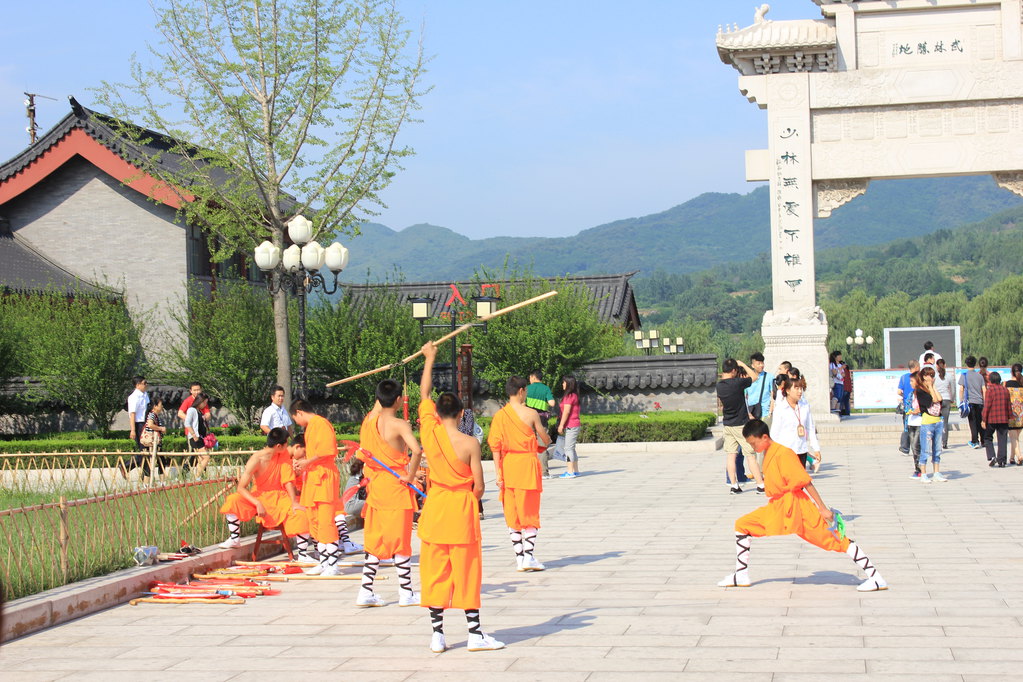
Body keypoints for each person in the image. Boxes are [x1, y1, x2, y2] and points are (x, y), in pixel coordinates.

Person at [718, 419, 887, 592]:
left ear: (764, 437)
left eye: (754, 443)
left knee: (835, 539)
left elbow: (805, 482)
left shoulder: (783, 453)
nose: (753, 447)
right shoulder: (770, 452)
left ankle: (875, 577)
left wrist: (822, 508)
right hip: (778, 506)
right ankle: (741, 574)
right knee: (742, 524)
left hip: (797, 507)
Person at [417, 341, 504, 653]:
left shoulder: (429, 432)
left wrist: (430, 358)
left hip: (436, 508)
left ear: (437, 413)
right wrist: (469, 494)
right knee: (467, 571)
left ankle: (437, 635)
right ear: (462, 412)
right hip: (461, 512)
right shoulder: (469, 443)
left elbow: (424, 394)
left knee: (435, 570)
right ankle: (475, 634)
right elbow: (479, 488)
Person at [356, 379, 423, 607]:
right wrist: (411, 476)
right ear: (398, 400)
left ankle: (365, 591)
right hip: (395, 487)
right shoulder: (399, 424)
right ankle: (406, 593)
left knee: (376, 541)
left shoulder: (369, 423)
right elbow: (417, 450)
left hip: (377, 487)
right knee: (400, 542)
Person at [488, 374, 551, 571]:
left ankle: (519, 557)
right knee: (530, 511)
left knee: (512, 513)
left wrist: (498, 474)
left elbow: (495, 447)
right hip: (527, 465)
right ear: (522, 391)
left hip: (508, 466)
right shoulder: (531, 414)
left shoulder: (499, 416)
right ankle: (529, 556)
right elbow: (545, 438)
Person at [218, 427, 310, 550]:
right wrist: (257, 503)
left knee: (299, 513)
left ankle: (303, 555)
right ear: (278, 446)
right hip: (259, 495)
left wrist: (294, 502)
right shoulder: (256, 459)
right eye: (286, 443)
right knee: (232, 500)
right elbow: (241, 488)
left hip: (280, 497)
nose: (288, 446)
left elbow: (288, 480)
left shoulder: (282, 455)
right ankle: (235, 539)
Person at [290, 400, 344, 576]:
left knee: (326, 520)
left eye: (294, 419)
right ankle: (323, 561)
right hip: (313, 477)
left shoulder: (320, 424)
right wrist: (304, 464)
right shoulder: (310, 427)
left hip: (324, 476)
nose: (296, 423)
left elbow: (328, 451)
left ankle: (333, 564)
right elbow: (314, 454)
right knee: (314, 520)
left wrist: (307, 462)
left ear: (299, 412)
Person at [289, 434, 362, 560]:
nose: (305, 455)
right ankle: (317, 551)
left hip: (311, 494)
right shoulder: (288, 462)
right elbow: (287, 483)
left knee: (337, 509)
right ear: (297, 447)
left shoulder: (306, 461)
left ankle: (345, 542)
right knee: (313, 514)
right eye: (305, 451)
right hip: (297, 497)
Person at [717, 358, 765, 495]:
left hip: (727, 424)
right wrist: (743, 364)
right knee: (750, 455)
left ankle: (734, 485)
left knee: (731, 455)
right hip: (741, 425)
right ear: (733, 370)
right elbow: (755, 376)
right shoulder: (737, 383)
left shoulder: (719, 386)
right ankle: (760, 485)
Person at [771, 376, 822, 473]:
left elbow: (810, 428)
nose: (800, 391)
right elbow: (774, 433)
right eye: (796, 388)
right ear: (788, 391)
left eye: (801, 388)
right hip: (785, 451)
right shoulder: (780, 408)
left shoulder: (804, 406)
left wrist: (816, 448)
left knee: (800, 483)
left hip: (801, 449)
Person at [916, 367, 947, 482]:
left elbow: (939, 399)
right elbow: (933, 400)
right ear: (924, 376)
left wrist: (933, 386)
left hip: (938, 421)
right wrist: (929, 387)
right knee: (925, 449)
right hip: (928, 422)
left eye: (933, 375)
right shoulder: (920, 391)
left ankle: (936, 472)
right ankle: (923, 474)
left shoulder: (933, 387)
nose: (932, 378)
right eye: (930, 375)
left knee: (937, 448)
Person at [526, 371, 557, 479]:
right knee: (541, 446)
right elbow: (552, 403)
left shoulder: (527, 389)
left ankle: (530, 472)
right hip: (542, 420)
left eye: (530, 377)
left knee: (528, 445)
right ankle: (544, 473)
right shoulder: (545, 389)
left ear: (533, 377)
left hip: (528, 420)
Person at [982, 371, 1011, 468]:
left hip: (992, 419)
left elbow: (987, 406)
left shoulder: (990, 390)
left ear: (990, 380)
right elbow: (1009, 406)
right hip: (1003, 419)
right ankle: (1002, 461)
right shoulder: (1005, 390)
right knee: (1002, 439)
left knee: (987, 437)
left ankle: (992, 455)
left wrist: (984, 419)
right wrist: (1010, 417)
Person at [556, 375, 582, 478]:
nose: (562, 384)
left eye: (564, 382)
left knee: (568, 448)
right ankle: (575, 470)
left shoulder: (569, 396)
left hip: (571, 424)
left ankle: (570, 471)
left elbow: (566, 412)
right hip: (574, 424)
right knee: (571, 448)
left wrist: (561, 425)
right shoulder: (574, 395)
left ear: (568, 384)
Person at [183, 392, 212, 477]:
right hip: (195, 437)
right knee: (206, 457)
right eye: (204, 403)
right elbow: (187, 423)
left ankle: (198, 476)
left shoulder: (199, 411)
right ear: (200, 401)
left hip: (200, 437)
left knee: (200, 458)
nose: (205, 405)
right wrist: (194, 435)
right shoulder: (192, 410)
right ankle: (197, 476)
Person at [959, 356, 985, 448]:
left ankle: (975, 441)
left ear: (966, 363)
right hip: (980, 401)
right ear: (975, 364)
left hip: (970, 402)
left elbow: (961, 389)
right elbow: (984, 390)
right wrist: (984, 401)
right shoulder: (980, 376)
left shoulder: (964, 375)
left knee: (972, 421)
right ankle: (984, 440)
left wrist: (961, 401)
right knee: (980, 421)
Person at [897, 360, 920, 455]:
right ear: (916, 367)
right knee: (919, 427)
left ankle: (905, 448)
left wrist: (905, 396)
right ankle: (917, 447)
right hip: (918, 405)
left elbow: (899, 392)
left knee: (907, 426)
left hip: (907, 406)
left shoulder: (903, 377)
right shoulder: (918, 377)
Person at [934, 359, 956, 452]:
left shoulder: (934, 376)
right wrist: (952, 399)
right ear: (945, 365)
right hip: (946, 400)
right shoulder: (949, 376)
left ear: (936, 366)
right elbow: (953, 389)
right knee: (945, 422)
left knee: (936, 421)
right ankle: (945, 443)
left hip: (937, 400)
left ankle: (937, 442)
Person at [744, 352, 772, 423]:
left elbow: (773, 395)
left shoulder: (769, 377)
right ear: (752, 365)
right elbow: (744, 397)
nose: (761, 365)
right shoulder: (748, 378)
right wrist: (748, 413)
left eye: (762, 363)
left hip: (765, 413)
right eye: (758, 363)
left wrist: (770, 412)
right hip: (751, 414)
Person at [1006, 364, 1023, 466]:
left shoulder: (1007, 384)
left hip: (1011, 414)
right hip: (1021, 414)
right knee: (1015, 436)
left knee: (1013, 438)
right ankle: (1012, 458)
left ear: (1011, 372)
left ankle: (1019, 456)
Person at [127, 375, 150, 452]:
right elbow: (132, 414)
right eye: (144, 383)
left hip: (147, 423)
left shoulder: (145, 395)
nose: (146, 385)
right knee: (142, 447)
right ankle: (128, 464)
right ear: (138, 385)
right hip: (139, 424)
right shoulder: (134, 397)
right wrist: (133, 430)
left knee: (148, 445)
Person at [829, 351, 848, 417]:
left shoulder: (840, 365)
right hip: (836, 382)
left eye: (841, 356)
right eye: (839, 356)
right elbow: (834, 372)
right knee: (836, 396)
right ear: (835, 357)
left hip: (841, 382)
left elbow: (843, 374)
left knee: (840, 397)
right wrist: (840, 369)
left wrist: (840, 371)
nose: (840, 357)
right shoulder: (832, 364)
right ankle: (833, 409)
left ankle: (837, 411)